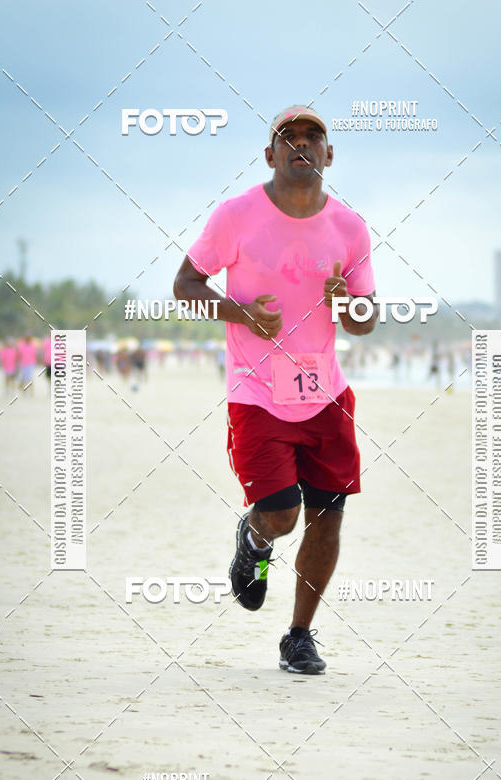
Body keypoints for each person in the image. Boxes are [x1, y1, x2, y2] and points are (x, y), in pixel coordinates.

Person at [173, 105, 377, 675]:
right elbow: (185, 283)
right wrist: (239, 311)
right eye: (289, 138)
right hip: (257, 392)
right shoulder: (236, 216)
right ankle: (255, 541)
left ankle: (299, 636)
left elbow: (364, 320)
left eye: (315, 136)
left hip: (325, 393)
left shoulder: (350, 226)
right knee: (282, 514)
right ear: (271, 155)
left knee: (328, 517)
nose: (302, 145)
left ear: (329, 154)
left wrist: (348, 302)